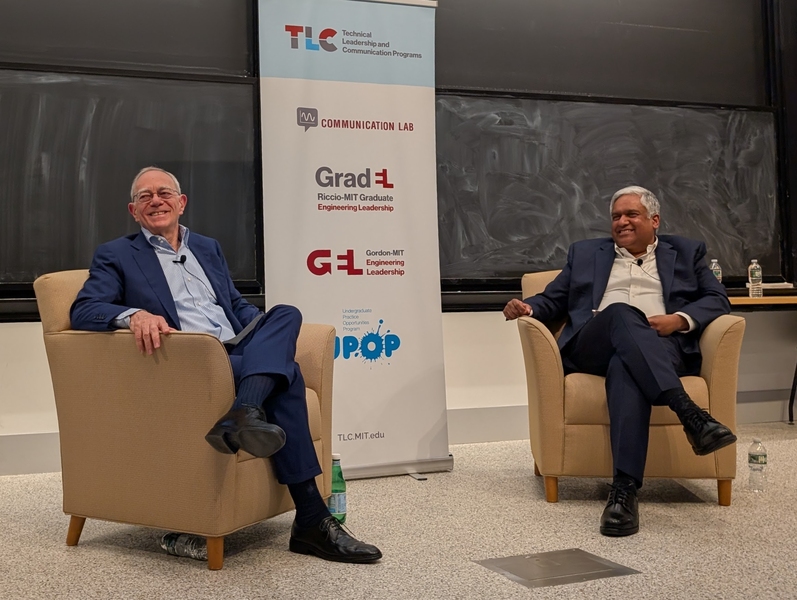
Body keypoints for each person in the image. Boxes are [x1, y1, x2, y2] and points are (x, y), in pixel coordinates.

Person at [70, 166, 382, 563]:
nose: (156, 201)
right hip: (196, 358)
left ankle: (246, 412)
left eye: (164, 193)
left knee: (284, 313)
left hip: (237, 345)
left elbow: (232, 304)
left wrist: (263, 331)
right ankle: (311, 519)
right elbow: (84, 309)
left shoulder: (206, 246)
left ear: (181, 203)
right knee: (287, 376)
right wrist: (134, 315)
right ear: (134, 211)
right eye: (145, 197)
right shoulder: (116, 254)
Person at [503, 185, 737, 537]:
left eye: (632, 215)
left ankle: (623, 492)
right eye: (616, 216)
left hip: (662, 346)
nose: (622, 222)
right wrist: (528, 307)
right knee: (621, 314)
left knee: (626, 366)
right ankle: (690, 414)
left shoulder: (688, 252)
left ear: (654, 220)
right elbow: (553, 300)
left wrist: (678, 320)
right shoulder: (584, 254)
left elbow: (718, 300)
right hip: (593, 345)